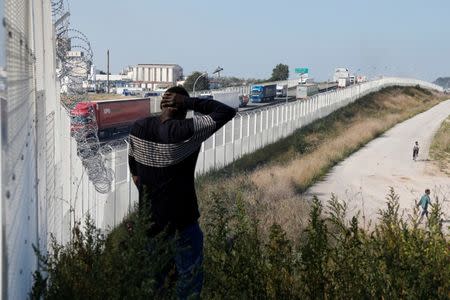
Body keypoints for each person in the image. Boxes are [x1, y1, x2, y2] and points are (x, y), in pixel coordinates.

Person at [128, 86, 236, 298]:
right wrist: (189, 102)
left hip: (150, 226)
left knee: (156, 287)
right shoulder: (187, 131)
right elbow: (226, 112)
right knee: (189, 284)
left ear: (162, 104)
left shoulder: (138, 128)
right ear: (181, 107)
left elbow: (136, 176)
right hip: (182, 225)